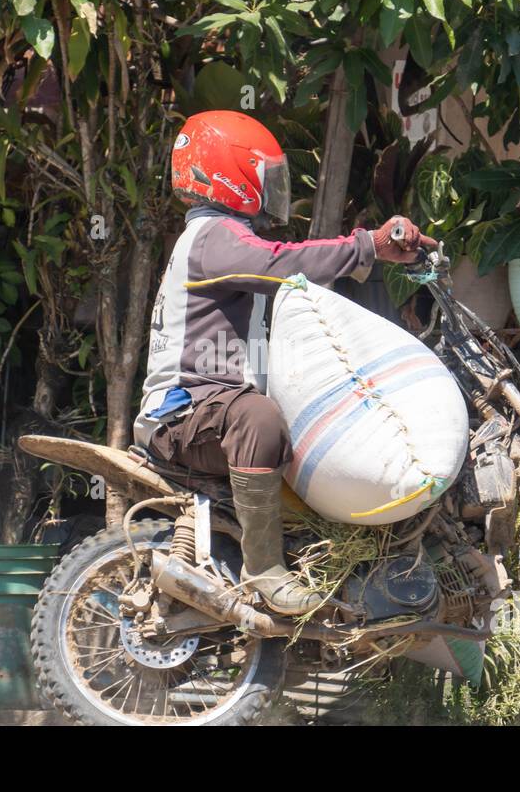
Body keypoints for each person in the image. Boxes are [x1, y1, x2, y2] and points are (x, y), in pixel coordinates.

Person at [134, 110, 435, 615]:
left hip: (207, 410)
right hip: (183, 414)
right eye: (266, 176)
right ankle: (263, 573)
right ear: (231, 175)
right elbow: (283, 262)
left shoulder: (219, 238)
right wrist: (370, 246)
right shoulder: (214, 236)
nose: (273, 190)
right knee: (259, 416)